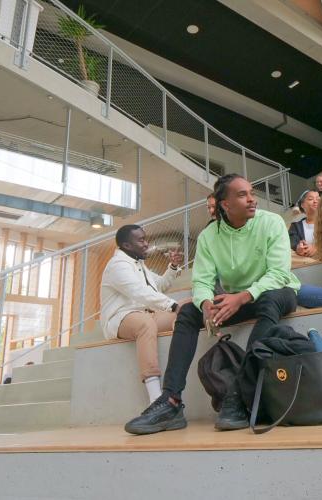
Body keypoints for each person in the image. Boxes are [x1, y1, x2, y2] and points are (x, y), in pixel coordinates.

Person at [124, 174, 300, 435]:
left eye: (251, 193)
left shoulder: (271, 222)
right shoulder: (209, 236)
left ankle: (240, 394)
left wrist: (241, 297)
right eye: (242, 195)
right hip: (235, 298)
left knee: (271, 299)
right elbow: (203, 281)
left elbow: (279, 274)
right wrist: (206, 304)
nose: (252, 199)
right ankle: (171, 401)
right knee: (187, 313)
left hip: (276, 291)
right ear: (225, 205)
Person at [100, 224, 184, 405]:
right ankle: (155, 397)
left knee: (188, 309)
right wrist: (171, 304)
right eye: (141, 240)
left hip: (148, 314)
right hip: (121, 318)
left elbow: (159, 286)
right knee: (146, 324)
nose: (146, 243)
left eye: (146, 238)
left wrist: (173, 266)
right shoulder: (117, 266)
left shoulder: (139, 264)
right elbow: (140, 292)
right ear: (127, 246)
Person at [289, 190, 319, 258]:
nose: (315, 201)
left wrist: (317, 248)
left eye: (318, 199)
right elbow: (292, 241)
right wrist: (298, 248)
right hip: (307, 265)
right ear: (302, 205)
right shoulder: (295, 226)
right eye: (311, 199)